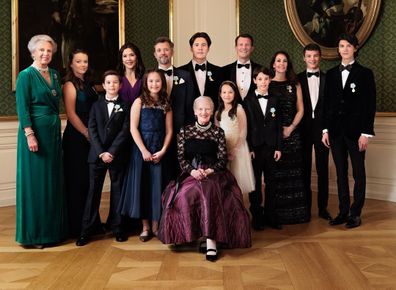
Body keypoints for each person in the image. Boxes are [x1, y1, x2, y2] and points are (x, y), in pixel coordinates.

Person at [158, 96, 251, 262]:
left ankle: (211, 242)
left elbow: (222, 159)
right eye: (200, 109)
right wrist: (193, 171)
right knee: (187, 194)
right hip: (190, 173)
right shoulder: (185, 131)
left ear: (212, 111)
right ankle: (194, 235)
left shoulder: (218, 132)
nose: (204, 112)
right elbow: (181, 158)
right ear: (195, 112)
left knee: (208, 190)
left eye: (207, 109)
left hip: (214, 173)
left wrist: (208, 170)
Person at [15, 34, 67, 248]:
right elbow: (22, 107)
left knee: (52, 183)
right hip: (34, 135)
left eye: (49, 50)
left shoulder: (54, 75)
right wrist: (30, 134)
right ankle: (35, 235)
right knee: (36, 184)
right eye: (41, 50)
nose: (46, 54)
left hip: (53, 134)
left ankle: (53, 231)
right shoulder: (25, 75)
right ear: (33, 52)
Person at [322, 34, 376, 229]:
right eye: (341, 45)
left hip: (356, 133)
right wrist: (325, 130)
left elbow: (370, 106)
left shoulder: (365, 73)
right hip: (335, 132)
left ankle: (355, 213)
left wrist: (366, 133)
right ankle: (343, 211)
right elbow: (327, 104)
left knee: (358, 172)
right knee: (340, 172)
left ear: (355, 48)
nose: (344, 49)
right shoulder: (331, 74)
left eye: (348, 46)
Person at [76, 70, 130, 246]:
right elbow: (91, 129)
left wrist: (112, 151)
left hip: (117, 155)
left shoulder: (126, 105)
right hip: (97, 155)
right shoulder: (96, 106)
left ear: (120, 86)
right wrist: (101, 152)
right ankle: (87, 230)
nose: (112, 85)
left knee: (118, 192)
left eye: (115, 82)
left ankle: (118, 228)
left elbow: (125, 131)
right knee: (93, 193)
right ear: (104, 85)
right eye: (109, 82)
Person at [118, 69, 173, 242]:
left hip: (159, 149)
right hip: (142, 149)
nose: (154, 84)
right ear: (146, 83)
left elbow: (169, 130)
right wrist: (143, 150)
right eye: (151, 81)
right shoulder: (139, 102)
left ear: (162, 83)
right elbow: (133, 128)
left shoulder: (166, 103)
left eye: (157, 81)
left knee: (158, 187)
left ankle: (156, 225)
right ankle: (145, 227)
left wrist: (163, 150)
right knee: (143, 186)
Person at [269, 51, 310, 225]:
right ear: (273, 64)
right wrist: (277, 132)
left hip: (293, 134)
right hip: (274, 135)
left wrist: (291, 128)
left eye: (284, 60)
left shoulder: (295, 83)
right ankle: (276, 215)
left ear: (288, 64)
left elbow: (301, 108)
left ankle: (297, 214)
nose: (281, 63)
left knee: (295, 174)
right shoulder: (267, 83)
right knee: (276, 176)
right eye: (278, 60)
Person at [63, 49, 98, 238]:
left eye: (85, 61)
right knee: (77, 182)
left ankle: (90, 223)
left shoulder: (89, 84)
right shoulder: (69, 85)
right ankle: (76, 226)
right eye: (79, 61)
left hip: (90, 137)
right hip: (76, 138)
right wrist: (86, 133)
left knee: (88, 182)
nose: (83, 64)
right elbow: (71, 114)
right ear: (71, 64)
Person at [243, 67, 282, 230]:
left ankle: (271, 216)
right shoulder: (248, 100)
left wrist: (279, 147)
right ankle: (257, 216)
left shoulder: (275, 99)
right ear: (254, 81)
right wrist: (249, 147)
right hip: (256, 148)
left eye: (266, 79)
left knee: (272, 182)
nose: (263, 82)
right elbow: (246, 126)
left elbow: (279, 125)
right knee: (256, 183)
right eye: (260, 79)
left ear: (270, 80)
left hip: (272, 147)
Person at [153, 36, 195, 184]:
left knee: (180, 172)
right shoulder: (149, 77)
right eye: (159, 50)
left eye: (166, 49)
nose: (163, 53)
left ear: (172, 52)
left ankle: (179, 205)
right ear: (155, 54)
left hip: (180, 131)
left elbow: (190, 107)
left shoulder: (185, 76)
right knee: (159, 173)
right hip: (156, 133)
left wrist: (189, 132)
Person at [297, 44, 331, 221]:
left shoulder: (328, 78)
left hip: (322, 131)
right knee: (304, 170)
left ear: (320, 57)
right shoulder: (296, 79)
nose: (312, 59)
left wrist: (326, 130)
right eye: (309, 56)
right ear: (304, 58)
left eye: (315, 56)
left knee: (322, 169)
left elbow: (331, 108)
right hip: (302, 131)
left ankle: (323, 208)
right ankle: (306, 208)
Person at [215, 80, 255, 195]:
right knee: (225, 183)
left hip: (238, 147)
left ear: (235, 94)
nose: (227, 95)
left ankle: (238, 208)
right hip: (224, 147)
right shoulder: (218, 112)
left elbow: (243, 132)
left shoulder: (239, 109)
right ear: (220, 94)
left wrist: (235, 149)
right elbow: (217, 133)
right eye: (224, 92)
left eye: (230, 92)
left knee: (237, 181)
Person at [179, 32, 223, 111]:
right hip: (188, 120)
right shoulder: (180, 72)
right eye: (196, 45)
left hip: (212, 119)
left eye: (204, 45)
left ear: (208, 48)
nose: (200, 48)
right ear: (191, 48)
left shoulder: (219, 71)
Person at [222, 33, 261, 100]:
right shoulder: (225, 70)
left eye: (247, 45)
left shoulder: (260, 70)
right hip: (232, 110)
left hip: (253, 110)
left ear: (252, 48)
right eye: (241, 44)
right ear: (236, 48)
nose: (244, 47)